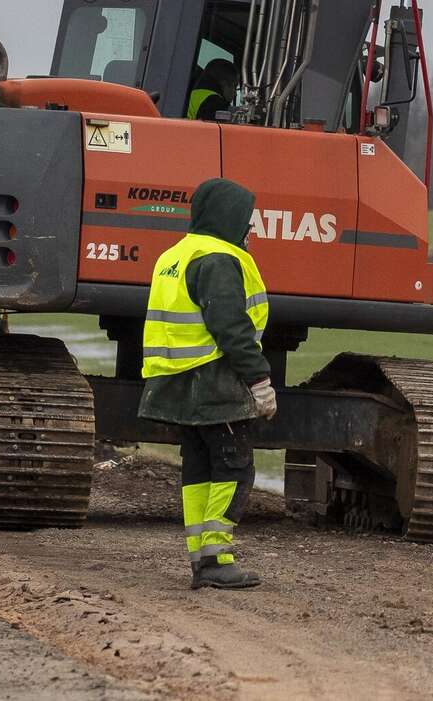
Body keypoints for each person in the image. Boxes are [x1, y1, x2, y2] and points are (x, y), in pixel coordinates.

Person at [138, 177, 278, 590]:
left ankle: (201, 560)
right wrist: (259, 380)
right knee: (235, 467)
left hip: (176, 381)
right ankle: (216, 557)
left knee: (199, 469)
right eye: (246, 219)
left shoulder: (175, 255)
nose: (249, 229)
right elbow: (231, 327)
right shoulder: (219, 258)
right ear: (229, 217)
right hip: (212, 379)